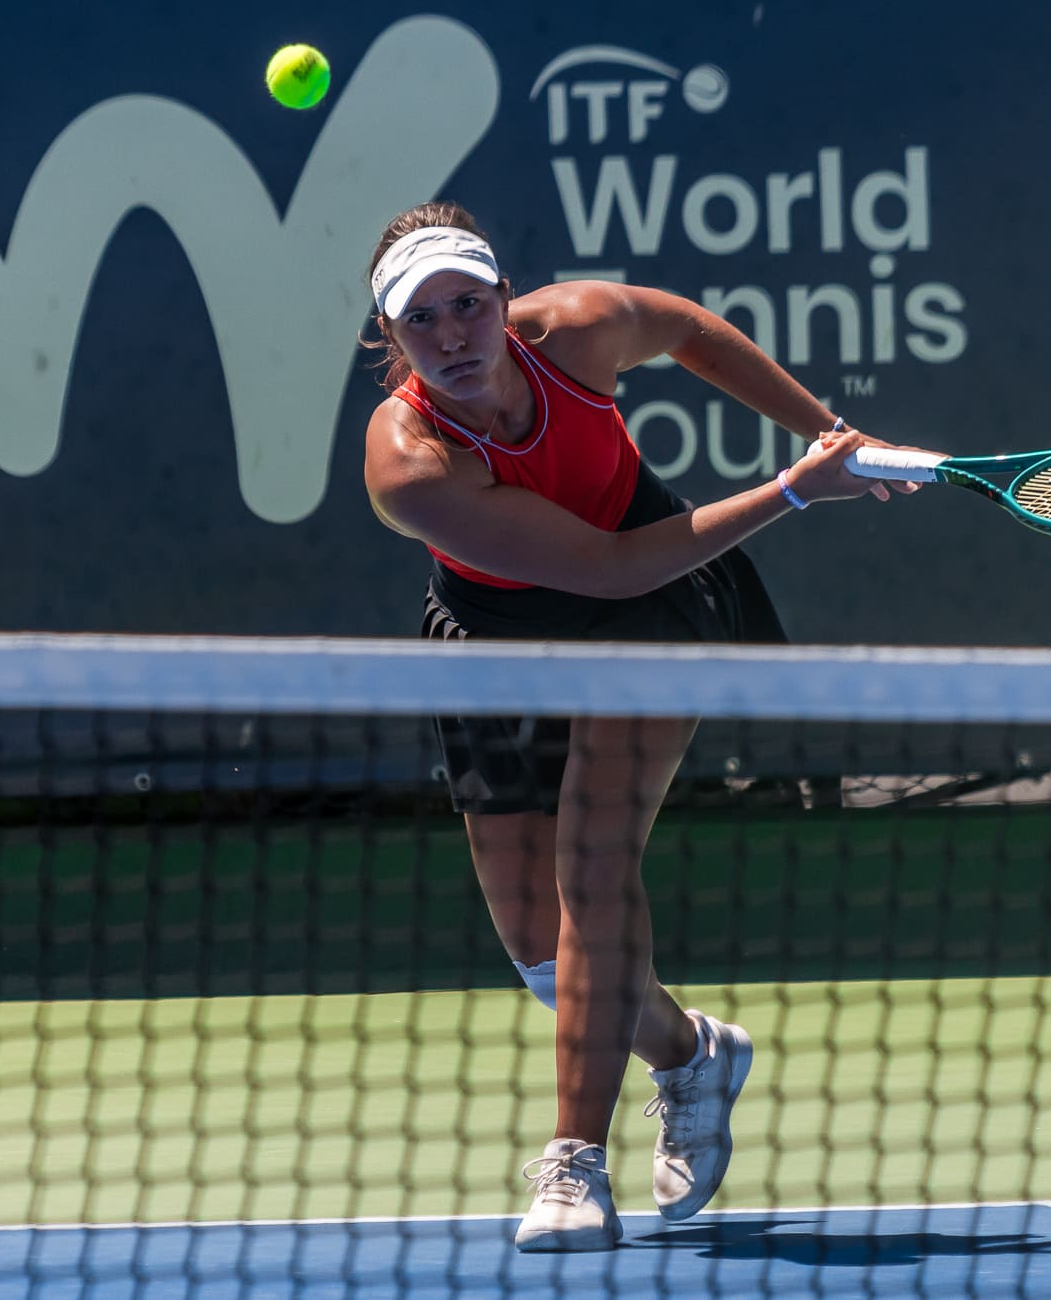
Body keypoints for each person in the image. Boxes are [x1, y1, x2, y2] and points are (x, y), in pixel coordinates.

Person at [359, 201, 918, 1252]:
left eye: (467, 307)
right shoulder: (407, 465)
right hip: (509, 630)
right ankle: (688, 1051)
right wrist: (797, 492)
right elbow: (592, 567)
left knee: (592, 874)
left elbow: (693, 334)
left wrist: (825, 434)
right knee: (537, 949)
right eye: (419, 321)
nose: (450, 337)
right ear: (388, 339)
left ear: (502, 300)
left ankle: (574, 1164)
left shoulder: (576, 329)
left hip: (653, 608)